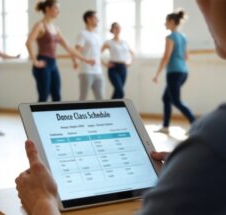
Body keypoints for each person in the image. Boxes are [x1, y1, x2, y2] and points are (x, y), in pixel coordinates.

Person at [15, 1, 226, 214]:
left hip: (92, 68)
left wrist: (43, 202)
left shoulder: (215, 141)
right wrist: (188, 164)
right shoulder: (213, 144)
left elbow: (71, 48)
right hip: (60, 65)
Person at [26, 0, 95, 102]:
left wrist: (86, 60)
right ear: (47, 9)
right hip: (43, 63)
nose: (58, 11)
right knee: (43, 97)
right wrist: (35, 61)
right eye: (56, 8)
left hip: (53, 64)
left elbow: (69, 47)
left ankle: (54, 117)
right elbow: (29, 42)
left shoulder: (56, 28)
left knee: (57, 96)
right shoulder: (40, 25)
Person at [152, 11, 196, 134]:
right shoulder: (183, 37)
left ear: (171, 22)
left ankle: (195, 124)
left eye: (166, 21)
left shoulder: (170, 37)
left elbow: (166, 57)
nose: (164, 24)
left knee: (176, 100)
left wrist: (157, 74)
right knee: (166, 98)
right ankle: (165, 126)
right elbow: (186, 56)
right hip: (183, 72)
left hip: (174, 73)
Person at [75, 11, 104, 101]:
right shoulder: (82, 34)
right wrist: (75, 61)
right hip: (86, 71)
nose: (98, 20)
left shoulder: (97, 36)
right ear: (88, 19)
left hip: (98, 71)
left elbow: (97, 54)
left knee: (100, 98)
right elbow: (77, 51)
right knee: (83, 98)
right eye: (96, 18)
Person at [102, 22, 134, 99]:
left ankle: (110, 108)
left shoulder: (125, 42)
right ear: (112, 30)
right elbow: (98, 53)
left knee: (117, 92)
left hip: (123, 68)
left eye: (119, 27)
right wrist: (105, 63)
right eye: (116, 28)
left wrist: (130, 62)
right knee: (121, 92)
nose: (118, 29)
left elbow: (132, 53)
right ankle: (111, 108)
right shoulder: (109, 42)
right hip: (113, 68)